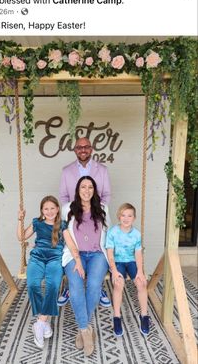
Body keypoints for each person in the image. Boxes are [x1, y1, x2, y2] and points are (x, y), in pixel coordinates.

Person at [17, 195, 83, 349]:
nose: (49, 211)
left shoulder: (62, 225)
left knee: (53, 285)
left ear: (58, 209)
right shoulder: (37, 223)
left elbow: (71, 244)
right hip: (37, 258)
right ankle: (43, 321)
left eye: (52, 208)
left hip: (54, 259)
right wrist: (20, 220)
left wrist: (78, 260)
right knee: (33, 284)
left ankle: (40, 323)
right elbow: (21, 237)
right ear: (42, 210)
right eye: (46, 209)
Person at [58, 137, 111, 308]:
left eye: (86, 146)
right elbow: (64, 197)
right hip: (75, 221)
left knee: (96, 253)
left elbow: (106, 195)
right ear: (75, 150)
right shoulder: (66, 171)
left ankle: (97, 288)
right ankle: (70, 287)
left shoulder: (102, 170)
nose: (83, 149)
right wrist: (73, 215)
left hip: (94, 218)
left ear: (92, 149)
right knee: (74, 254)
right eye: (79, 147)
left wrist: (95, 213)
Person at [62, 176, 111, 356]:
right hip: (74, 255)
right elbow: (64, 234)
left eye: (90, 187)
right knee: (75, 288)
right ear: (77, 189)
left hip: (98, 254)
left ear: (94, 190)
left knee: (94, 286)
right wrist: (77, 260)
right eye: (83, 187)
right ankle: (85, 330)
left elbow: (110, 233)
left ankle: (83, 328)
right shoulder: (67, 208)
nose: (87, 190)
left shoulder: (103, 208)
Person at [105, 203, 150, 337]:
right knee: (119, 283)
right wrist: (113, 270)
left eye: (129, 215)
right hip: (117, 262)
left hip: (131, 261)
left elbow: (138, 254)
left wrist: (140, 271)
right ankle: (117, 317)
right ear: (119, 217)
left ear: (134, 218)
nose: (126, 218)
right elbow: (110, 252)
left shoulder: (136, 234)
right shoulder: (112, 232)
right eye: (123, 215)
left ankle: (144, 315)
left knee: (141, 283)